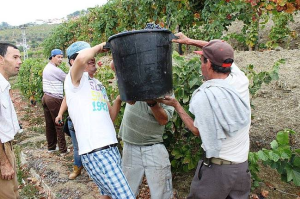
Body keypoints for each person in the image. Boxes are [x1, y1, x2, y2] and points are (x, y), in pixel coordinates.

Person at [158, 33, 251, 199]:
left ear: (208, 64)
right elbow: (222, 51)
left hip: (218, 171)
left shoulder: (207, 96)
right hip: (241, 169)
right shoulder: (240, 79)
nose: (200, 65)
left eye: (202, 60)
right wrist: (189, 41)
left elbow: (197, 131)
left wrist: (177, 105)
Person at [64, 41, 134, 198]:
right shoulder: (73, 80)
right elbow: (83, 58)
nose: (92, 57)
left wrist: (118, 99)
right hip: (96, 150)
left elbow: (110, 117)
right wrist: (100, 46)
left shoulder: (97, 84)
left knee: (108, 195)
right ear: (72, 62)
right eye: (86, 54)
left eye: (92, 54)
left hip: (110, 148)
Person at [115, 55, 175, 198]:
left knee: (161, 193)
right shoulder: (132, 79)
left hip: (153, 147)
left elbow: (163, 120)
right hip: (130, 146)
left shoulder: (165, 89)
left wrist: (152, 102)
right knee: (126, 192)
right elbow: (114, 64)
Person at [55, 54, 104, 180]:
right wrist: (60, 113)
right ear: (73, 62)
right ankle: (77, 168)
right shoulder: (72, 80)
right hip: (75, 123)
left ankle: (95, 171)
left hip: (91, 122)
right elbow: (67, 97)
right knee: (78, 147)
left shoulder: (92, 81)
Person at [0, 42, 22, 199]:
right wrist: (3, 162)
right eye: (15, 57)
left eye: (19, 57)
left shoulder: (4, 86)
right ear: (1, 59)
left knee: (13, 193)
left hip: (7, 147)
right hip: (2, 151)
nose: (20, 61)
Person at [42, 49, 68, 153]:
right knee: (59, 123)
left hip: (46, 97)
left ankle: (51, 147)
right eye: (58, 57)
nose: (61, 59)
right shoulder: (55, 70)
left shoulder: (47, 67)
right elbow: (68, 79)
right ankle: (63, 150)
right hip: (54, 98)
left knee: (49, 124)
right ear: (52, 57)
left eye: (62, 57)